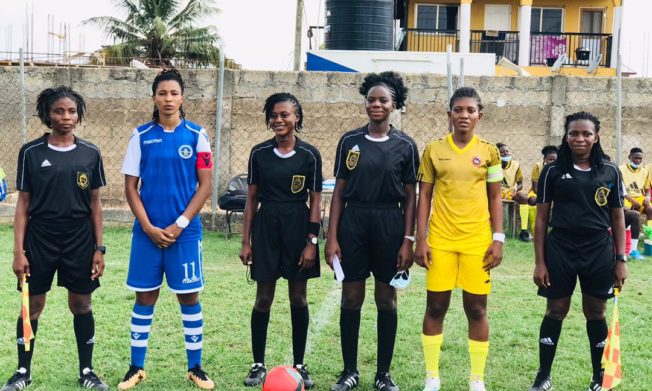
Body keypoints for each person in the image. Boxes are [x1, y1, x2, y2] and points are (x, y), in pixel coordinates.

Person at [2, 86, 108, 390]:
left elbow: (95, 203)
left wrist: (98, 248)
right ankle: (23, 372)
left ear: (79, 115)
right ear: (47, 114)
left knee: (82, 305)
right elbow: (23, 204)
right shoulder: (31, 152)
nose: (66, 116)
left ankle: (87, 371)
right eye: (59, 111)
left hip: (79, 239)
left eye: (71, 111)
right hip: (40, 238)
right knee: (31, 305)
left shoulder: (91, 152)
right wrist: (18, 251)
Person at [118, 69, 214, 390]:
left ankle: (195, 368)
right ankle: (136, 367)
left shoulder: (198, 135)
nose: (168, 99)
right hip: (147, 234)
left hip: (184, 235)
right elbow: (131, 187)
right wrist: (147, 226)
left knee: (189, 297)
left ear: (182, 97)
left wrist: (179, 224)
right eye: (162, 93)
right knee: (145, 297)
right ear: (154, 97)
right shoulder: (140, 135)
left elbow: (205, 186)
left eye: (174, 93)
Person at [325, 71, 418, 391]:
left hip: (390, 224)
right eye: (371, 100)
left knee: (386, 299)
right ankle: (349, 371)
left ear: (395, 105)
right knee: (351, 297)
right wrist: (331, 236)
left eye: (383, 100)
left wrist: (408, 240)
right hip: (354, 222)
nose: (375, 105)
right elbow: (339, 191)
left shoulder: (405, 145)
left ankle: (383, 373)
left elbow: (410, 197)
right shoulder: (350, 141)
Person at [529, 112, 628, 391]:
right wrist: (540, 262)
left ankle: (599, 376)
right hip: (560, 247)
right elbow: (541, 220)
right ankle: (543, 376)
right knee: (556, 309)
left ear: (596, 137)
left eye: (586, 134)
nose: (580, 138)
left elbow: (618, 217)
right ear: (566, 136)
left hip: (598, 248)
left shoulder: (610, 171)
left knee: (595, 311)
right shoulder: (553, 171)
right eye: (574, 133)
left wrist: (620, 259)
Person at [415, 87, 504, 391]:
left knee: (477, 310)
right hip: (440, 240)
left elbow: (495, 196)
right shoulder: (433, 150)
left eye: (470, 110)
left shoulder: (489, 152)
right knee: (436, 308)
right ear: (449, 114)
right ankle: (432, 376)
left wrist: (498, 238)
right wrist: (420, 239)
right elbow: (424, 194)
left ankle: (476, 379)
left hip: (477, 242)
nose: (464, 115)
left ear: (480, 115)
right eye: (458, 110)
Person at [240, 92, 323, 389]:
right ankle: (258, 363)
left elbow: (315, 201)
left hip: (298, 228)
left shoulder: (310, 154)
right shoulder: (258, 153)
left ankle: (299, 364)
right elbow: (251, 200)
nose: (279, 120)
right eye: (274, 115)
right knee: (263, 297)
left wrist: (311, 241)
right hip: (266, 228)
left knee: (298, 297)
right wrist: (246, 241)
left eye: (285, 114)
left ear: (296, 118)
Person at [619, 147, 651, 260]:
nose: (638, 160)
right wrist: (630, 199)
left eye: (640, 158)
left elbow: (647, 189)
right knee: (631, 213)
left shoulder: (645, 171)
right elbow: (619, 188)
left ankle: (650, 236)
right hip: (626, 196)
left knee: (650, 208)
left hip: (639, 197)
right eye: (635, 158)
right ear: (629, 157)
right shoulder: (620, 169)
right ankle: (632, 249)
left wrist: (647, 197)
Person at [496, 142, 531, 242]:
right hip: (497, 192)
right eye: (502, 152)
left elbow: (520, 183)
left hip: (511, 191)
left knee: (524, 197)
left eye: (507, 151)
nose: (506, 153)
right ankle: (499, 232)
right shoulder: (493, 164)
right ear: (497, 154)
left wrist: (516, 188)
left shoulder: (515, 165)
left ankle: (523, 231)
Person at [526, 146, 559, 234]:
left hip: (555, 193)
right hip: (538, 192)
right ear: (544, 159)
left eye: (554, 160)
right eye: (550, 159)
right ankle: (534, 232)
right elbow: (535, 187)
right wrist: (546, 197)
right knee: (533, 201)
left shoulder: (559, 167)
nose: (552, 162)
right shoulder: (537, 167)